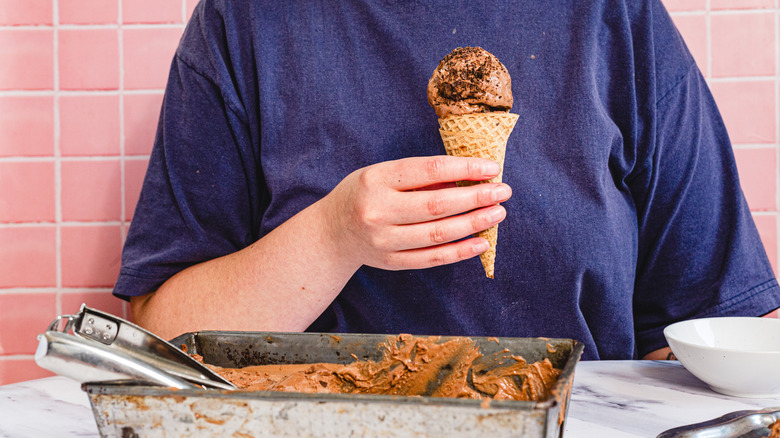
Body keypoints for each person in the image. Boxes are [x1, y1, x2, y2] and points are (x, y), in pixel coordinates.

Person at [113, 0, 780, 360]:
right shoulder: (247, 21)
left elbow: (719, 328)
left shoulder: (615, 16)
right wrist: (331, 236)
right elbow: (160, 341)